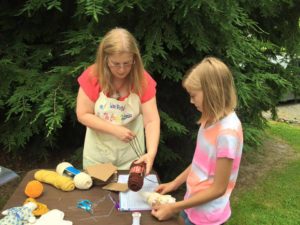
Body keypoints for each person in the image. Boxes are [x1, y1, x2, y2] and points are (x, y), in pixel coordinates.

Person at [151, 57, 243, 225]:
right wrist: (174, 184)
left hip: (208, 217)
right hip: (192, 205)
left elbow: (219, 188)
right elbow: (198, 163)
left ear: (211, 91)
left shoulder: (227, 133)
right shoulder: (209, 120)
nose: (191, 101)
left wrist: (174, 207)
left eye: (194, 95)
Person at [76, 28, 160, 175]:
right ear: (105, 58)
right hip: (98, 156)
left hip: (132, 158)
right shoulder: (92, 76)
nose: (122, 70)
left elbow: (151, 121)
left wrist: (151, 153)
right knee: (97, 195)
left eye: (127, 63)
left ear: (135, 59)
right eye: (116, 63)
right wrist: (115, 130)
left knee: (129, 195)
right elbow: (83, 114)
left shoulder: (142, 80)